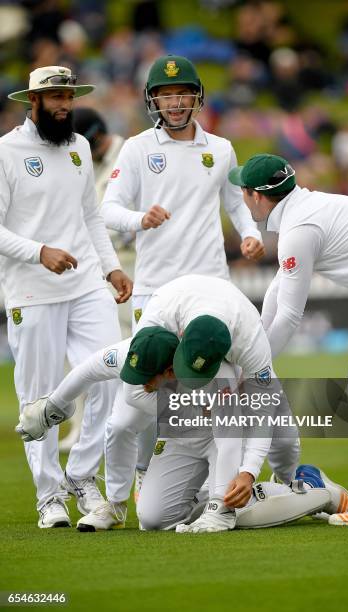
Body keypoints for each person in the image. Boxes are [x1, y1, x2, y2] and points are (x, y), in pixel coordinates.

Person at [16, 275, 301, 532]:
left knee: (280, 444)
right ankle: (119, 504)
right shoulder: (157, 327)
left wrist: (246, 473)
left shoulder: (249, 346)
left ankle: (293, 487)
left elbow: (256, 413)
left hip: (226, 419)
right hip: (184, 416)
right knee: (124, 436)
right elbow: (88, 370)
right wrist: (51, 406)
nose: (144, 385)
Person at [99, 54, 265, 492]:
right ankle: (141, 474)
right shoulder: (137, 148)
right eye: (165, 95)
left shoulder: (220, 148)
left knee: (219, 390)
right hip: (155, 289)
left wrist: (250, 233)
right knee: (149, 393)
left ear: (196, 98)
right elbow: (108, 210)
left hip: (212, 286)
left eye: (182, 94)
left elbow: (236, 204)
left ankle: (223, 480)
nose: (174, 103)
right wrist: (141, 220)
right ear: (153, 100)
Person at [228, 153, 348, 526]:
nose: (243, 202)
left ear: (257, 196)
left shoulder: (299, 229)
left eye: (243, 193)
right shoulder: (302, 211)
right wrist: (251, 353)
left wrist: (256, 369)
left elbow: (292, 315)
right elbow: (278, 293)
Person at [1, 65, 132, 528]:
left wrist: (112, 267)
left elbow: (91, 217)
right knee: (37, 395)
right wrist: (40, 253)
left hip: (86, 283)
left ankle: (80, 475)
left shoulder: (78, 147)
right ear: (32, 101)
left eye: (69, 96)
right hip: (31, 289)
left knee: (110, 375)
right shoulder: (6, 152)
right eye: (55, 97)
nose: (64, 104)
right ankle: (48, 495)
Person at [58, 108, 128, 454]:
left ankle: (133, 429)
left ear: (98, 136)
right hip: (92, 274)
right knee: (88, 359)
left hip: (132, 274)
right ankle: (83, 429)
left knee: (132, 358)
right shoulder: (82, 163)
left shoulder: (127, 157)